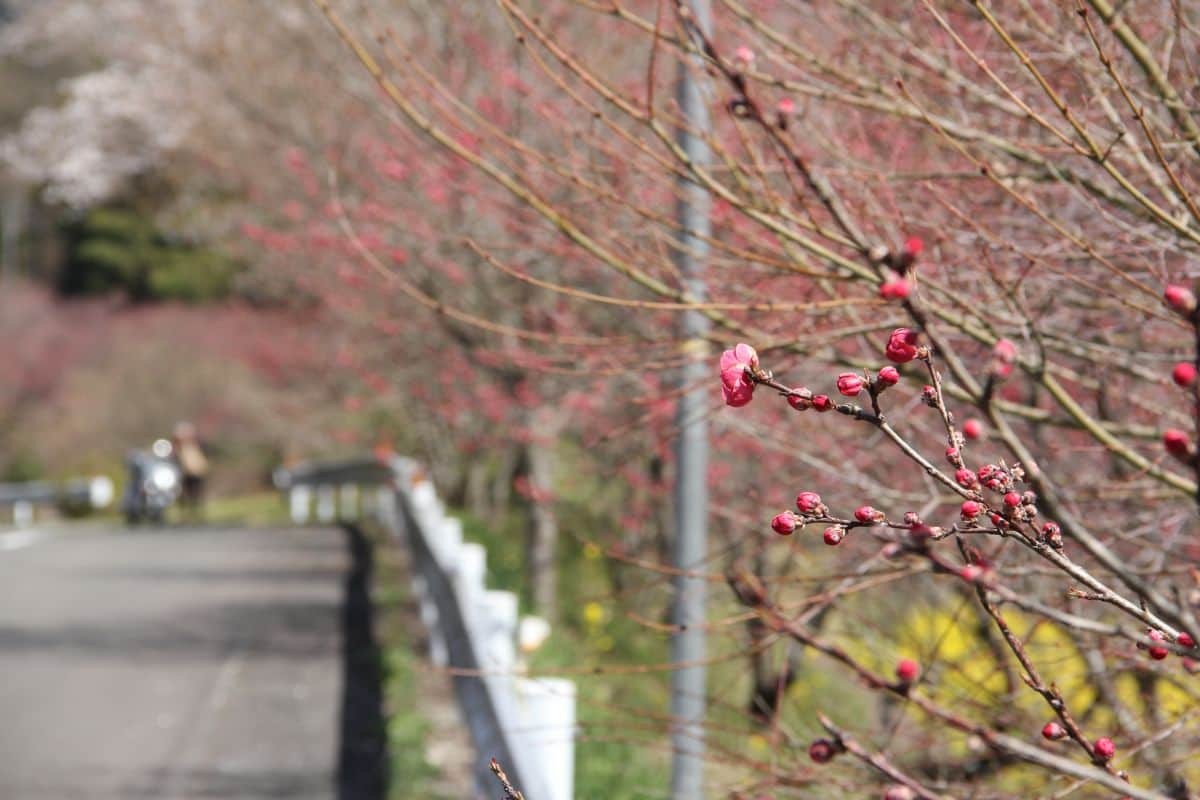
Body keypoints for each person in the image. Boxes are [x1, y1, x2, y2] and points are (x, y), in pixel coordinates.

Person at [172, 422, 209, 516]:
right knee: (183, 492)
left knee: (196, 492)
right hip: (183, 472)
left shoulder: (196, 445)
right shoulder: (177, 447)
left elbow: (201, 459)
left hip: (196, 472)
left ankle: (196, 511)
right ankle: (185, 512)